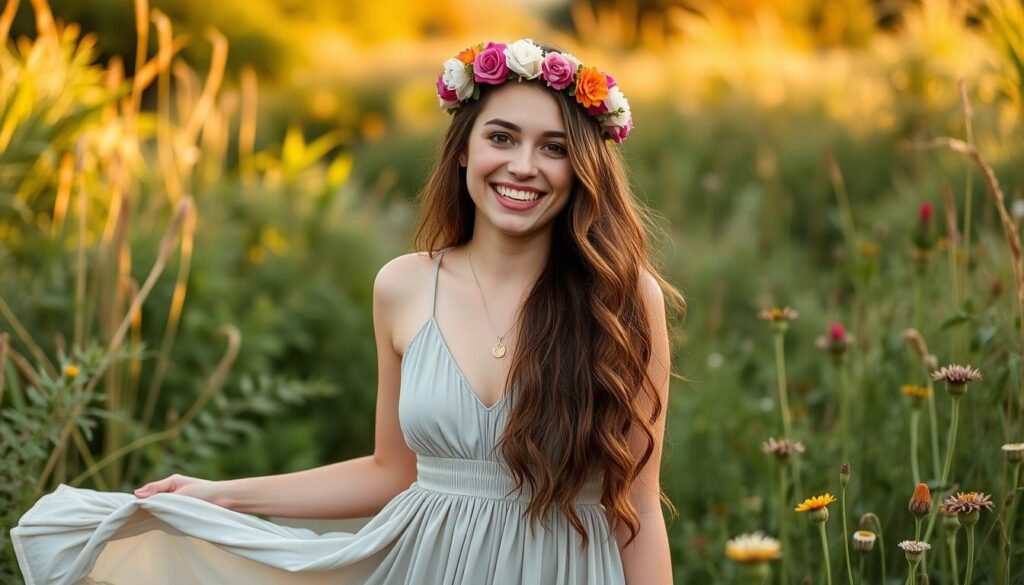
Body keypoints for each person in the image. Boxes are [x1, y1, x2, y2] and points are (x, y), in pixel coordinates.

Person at [12, 38, 685, 585]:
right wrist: (221, 494)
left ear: (585, 168)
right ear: (465, 151)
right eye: (502, 138)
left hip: (563, 569)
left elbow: (639, 510)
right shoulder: (402, 286)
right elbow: (391, 472)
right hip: (424, 567)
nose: (523, 166)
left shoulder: (623, 298)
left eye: (555, 147)